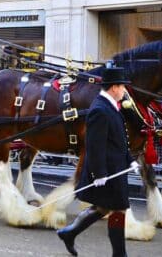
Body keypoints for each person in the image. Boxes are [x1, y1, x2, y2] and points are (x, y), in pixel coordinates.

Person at [57, 67, 138, 257]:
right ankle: (119, 254)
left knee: (104, 208)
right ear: (114, 88)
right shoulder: (100, 109)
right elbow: (94, 146)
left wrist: (130, 160)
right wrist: (98, 173)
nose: (125, 91)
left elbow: (119, 140)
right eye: (123, 87)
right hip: (107, 171)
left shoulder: (110, 106)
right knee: (117, 209)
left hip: (116, 168)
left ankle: (69, 233)